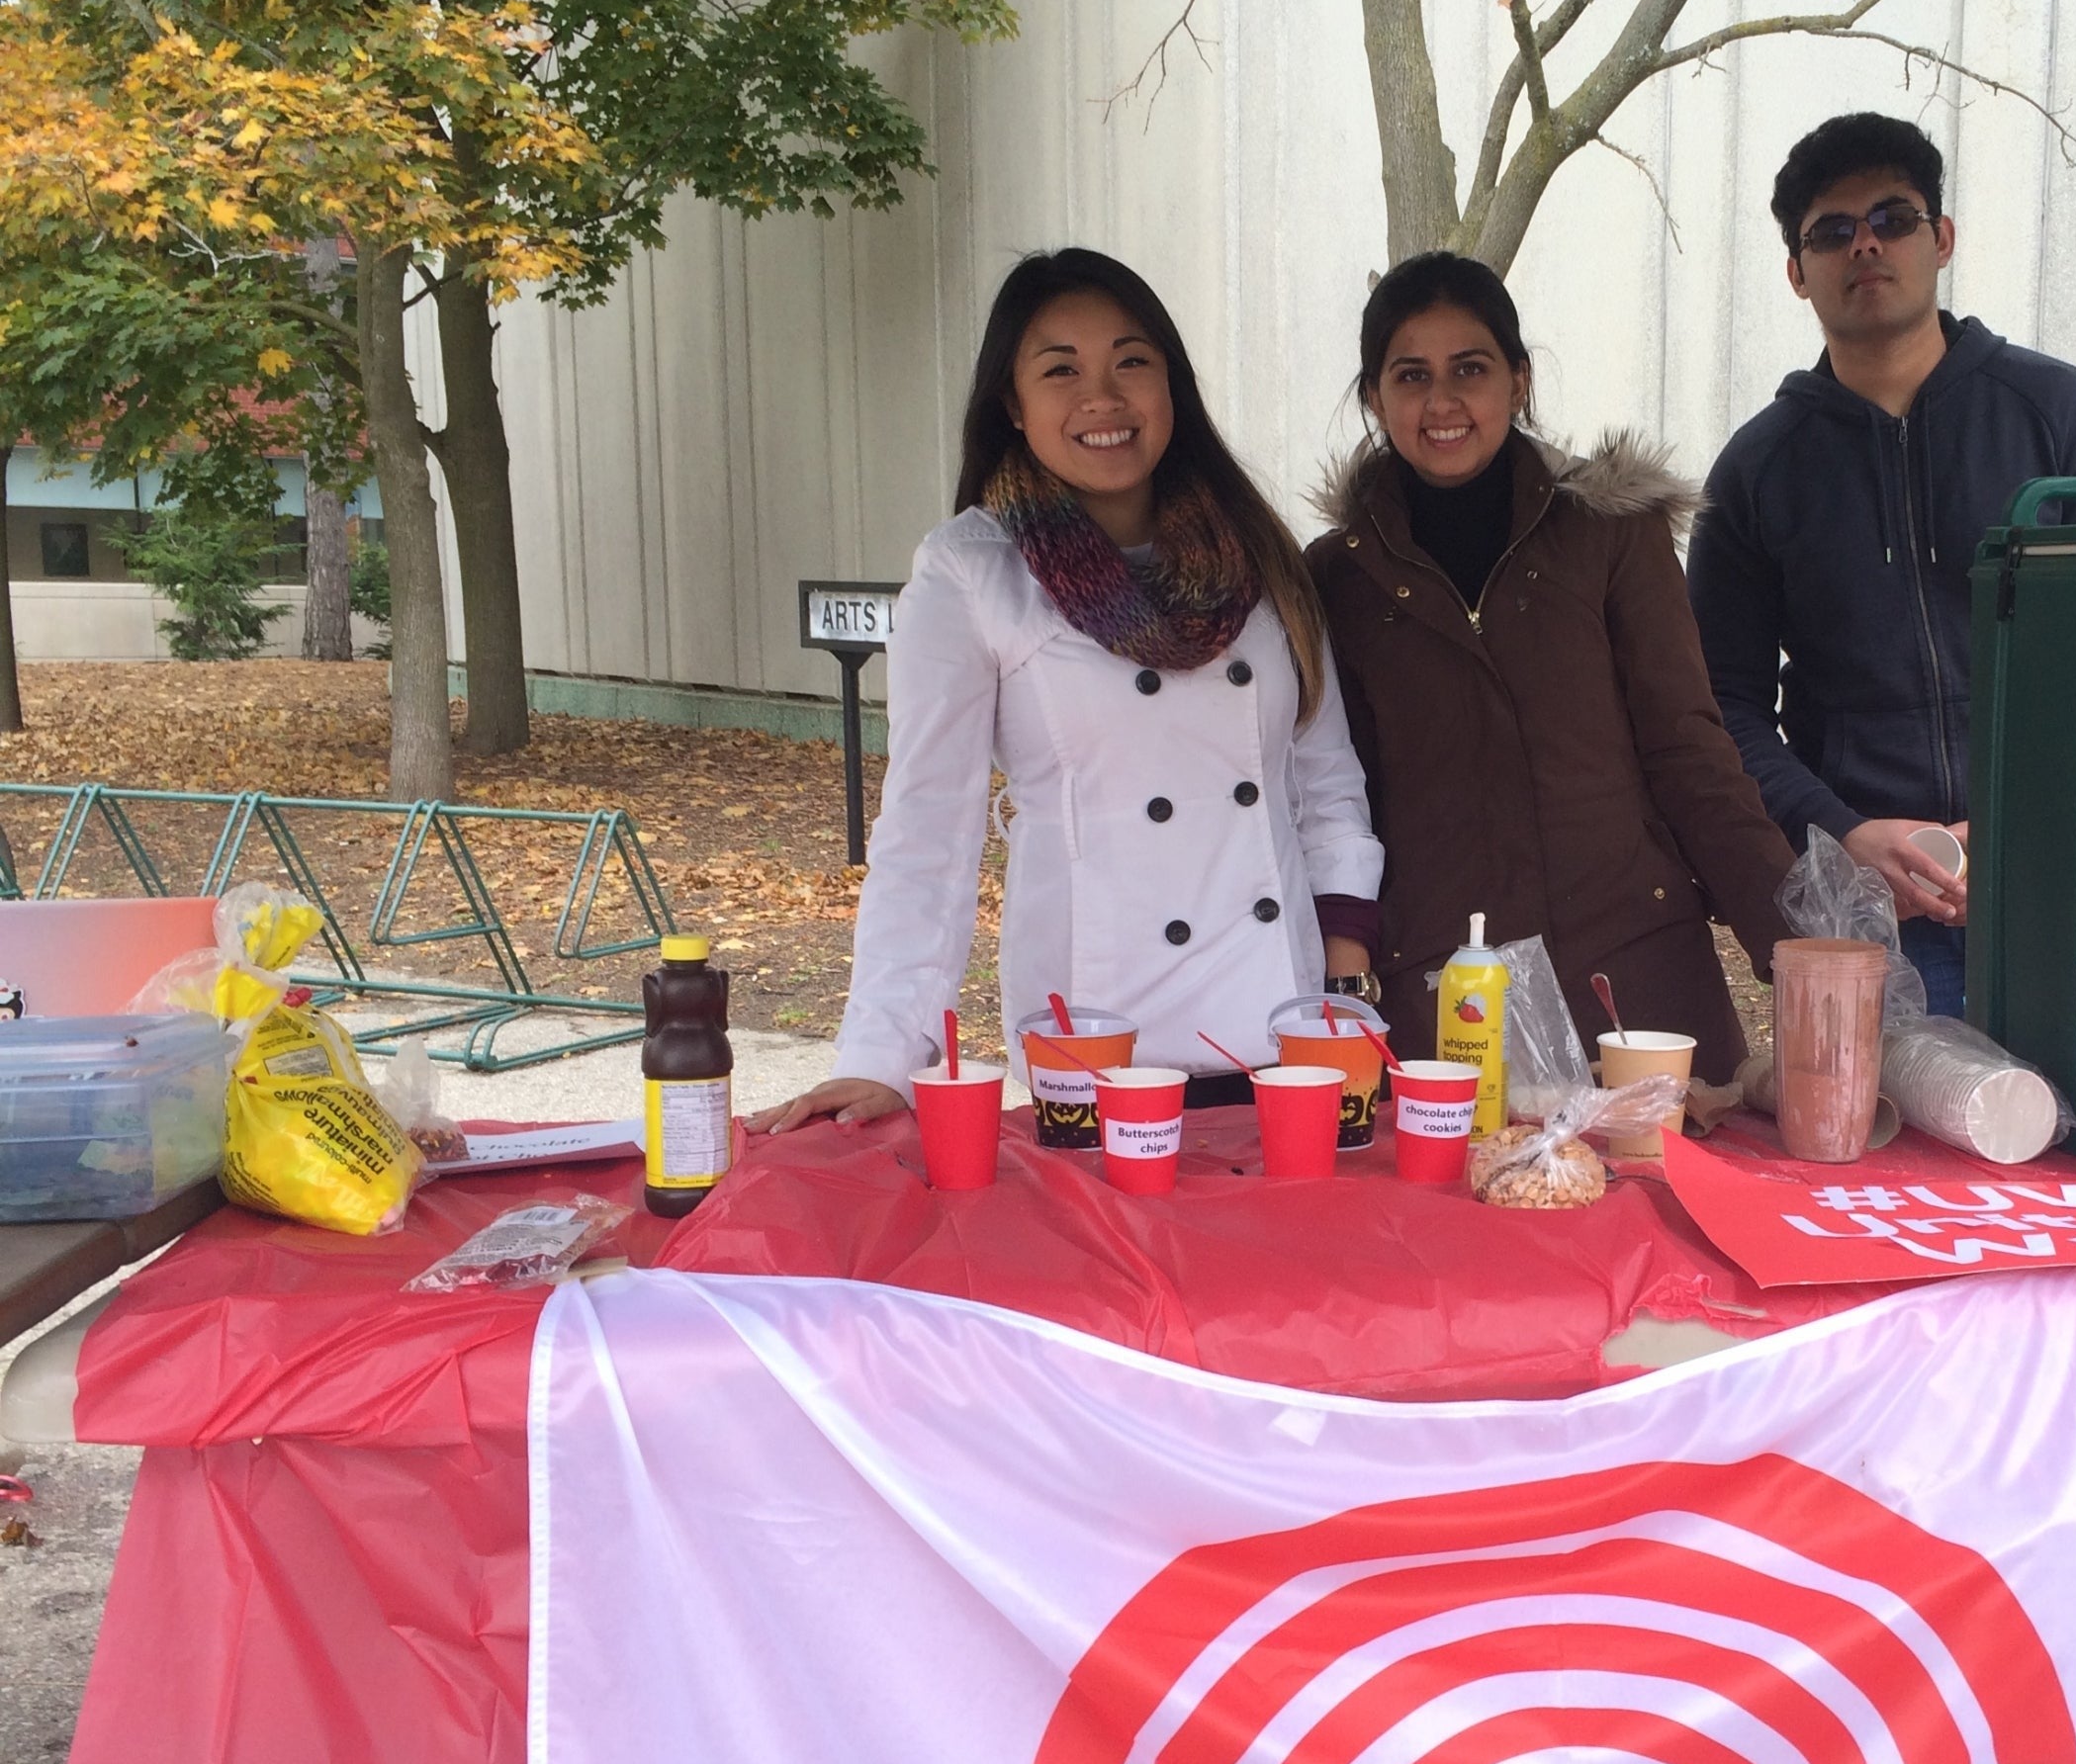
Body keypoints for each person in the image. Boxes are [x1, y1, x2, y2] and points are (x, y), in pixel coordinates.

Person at [752, 248, 1382, 1132]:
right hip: (1099, 1043)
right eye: (1061, 370)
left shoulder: (1259, 552)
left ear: (1172, 385)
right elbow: (929, 831)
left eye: (1132, 361)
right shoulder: (972, 573)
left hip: (1282, 1031)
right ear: (1012, 403)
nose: (1104, 398)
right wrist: (882, 1058)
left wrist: (1343, 989)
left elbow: (1325, 781)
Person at [1689, 112, 2076, 1020]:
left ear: (1940, 240)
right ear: (1796, 271)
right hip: (1871, 915)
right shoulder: (1758, 471)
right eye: (1831, 232)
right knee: (1896, 1152)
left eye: (1893, 219)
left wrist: (2030, 819)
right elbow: (1720, 707)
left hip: (2059, 886)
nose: (1866, 244)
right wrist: (1846, 833)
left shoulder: (2055, 415)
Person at [1308, 251, 1794, 1084]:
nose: (1443, 402)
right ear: (1373, 398)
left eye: (1471, 369)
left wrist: (1791, 945)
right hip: (1446, 993)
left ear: (1519, 379)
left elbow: (1688, 751)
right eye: (1411, 376)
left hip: (1635, 979)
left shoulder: (1609, 534)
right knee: (1465, 1211)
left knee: (1665, 1203)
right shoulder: (1335, 578)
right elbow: (1336, 799)